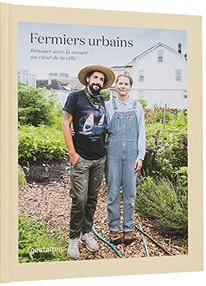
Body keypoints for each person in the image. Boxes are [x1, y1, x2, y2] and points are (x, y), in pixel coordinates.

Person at [62, 65, 115, 259]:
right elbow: (66, 122)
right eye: (95, 78)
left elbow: (104, 126)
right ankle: (73, 238)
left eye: (101, 80)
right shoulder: (75, 97)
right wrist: (72, 153)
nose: (98, 82)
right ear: (87, 79)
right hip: (81, 158)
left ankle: (87, 232)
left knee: (92, 199)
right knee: (79, 199)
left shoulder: (101, 100)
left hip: (99, 158)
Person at [105, 71, 146, 245]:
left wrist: (140, 156)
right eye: (120, 83)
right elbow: (100, 128)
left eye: (126, 84)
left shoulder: (137, 106)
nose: (123, 86)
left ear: (130, 86)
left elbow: (142, 133)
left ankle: (129, 229)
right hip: (112, 153)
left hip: (132, 154)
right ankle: (114, 229)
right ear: (116, 86)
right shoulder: (107, 105)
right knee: (113, 192)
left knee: (130, 193)